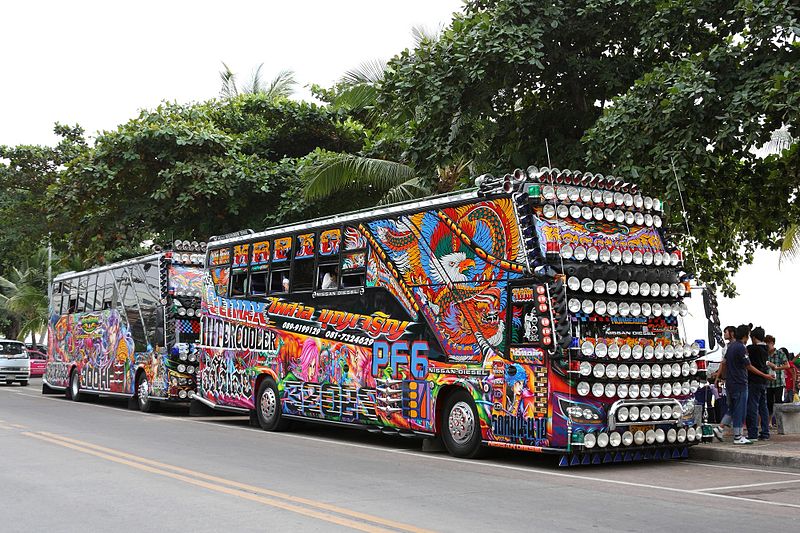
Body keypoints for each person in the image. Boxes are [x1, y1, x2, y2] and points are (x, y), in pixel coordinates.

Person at [716, 325, 755, 444]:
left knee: (732, 408)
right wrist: (764, 375)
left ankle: (719, 428)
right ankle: (738, 436)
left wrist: (720, 377)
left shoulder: (730, 347)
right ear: (745, 335)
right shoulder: (741, 348)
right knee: (740, 410)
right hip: (740, 382)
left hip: (730, 382)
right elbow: (748, 365)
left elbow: (724, 363)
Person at [745, 327, 776, 441]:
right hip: (764, 381)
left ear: (753, 338)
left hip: (753, 380)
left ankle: (753, 433)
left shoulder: (752, 349)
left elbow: (747, 362)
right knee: (763, 406)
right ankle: (765, 432)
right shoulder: (765, 348)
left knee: (752, 406)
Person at [712, 325, 737, 440]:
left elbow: (723, 363)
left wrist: (718, 376)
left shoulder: (734, 347)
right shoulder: (727, 348)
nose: (724, 334)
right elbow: (723, 363)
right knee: (734, 405)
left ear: (732, 333)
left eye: (726, 332)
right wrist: (718, 376)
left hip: (732, 379)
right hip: (732, 379)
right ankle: (730, 429)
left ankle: (726, 428)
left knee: (734, 405)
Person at [765, 336, 789, 425]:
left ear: (773, 343)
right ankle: (769, 422)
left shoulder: (780, 353)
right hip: (768, 383)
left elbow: (787, 365)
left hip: (779, 382)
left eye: (769, 343)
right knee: (769, 403)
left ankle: (780, 423)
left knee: (779, 403)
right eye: (766, 343)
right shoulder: (764, 354)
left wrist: (776, 368)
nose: (767, 345)